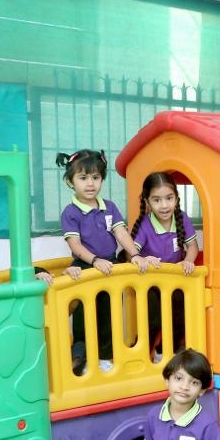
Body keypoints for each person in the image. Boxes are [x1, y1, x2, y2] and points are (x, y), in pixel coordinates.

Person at [57, 149, 147, 373]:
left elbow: (122, 233)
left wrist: (134, 254)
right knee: (84, 317)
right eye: (83, 178)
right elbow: (75, 245)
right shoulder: (71, 212)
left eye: (96, 177)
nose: (90, 184)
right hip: (86, 266)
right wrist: (94, 260)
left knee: (109, 313)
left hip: (110, 265)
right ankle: (81, 357)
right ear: (70, 182)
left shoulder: (110, 207)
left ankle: (105, 356)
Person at [129, 171, 199, 362]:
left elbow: (193, 247)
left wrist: (188, 261)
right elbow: (130, 251)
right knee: (153, 320)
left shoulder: (181, 218)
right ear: (148, 202)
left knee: (179, 316)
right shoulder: (145, 223)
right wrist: (143, 259)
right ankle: (142, 355)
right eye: (157, 200)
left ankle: (168, 351)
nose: (164, 205)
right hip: (149, 281)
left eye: (169, 198)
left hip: (175, 279)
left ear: (176, 198)